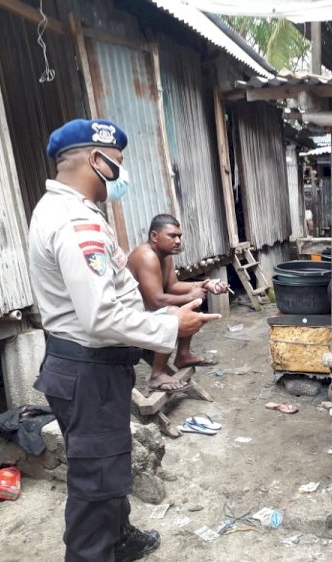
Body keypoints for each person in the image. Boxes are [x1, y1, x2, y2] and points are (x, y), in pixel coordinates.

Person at [29, 118, 221, 561]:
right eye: (118, 163)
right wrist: (171, 327)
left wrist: (166, 315)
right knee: (95, 480)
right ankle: (94, 551)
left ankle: (119, 537)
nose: (122, 174)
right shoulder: (76, 221)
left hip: (92, 367)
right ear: (96, 160)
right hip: (87, 368)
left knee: (110, 463)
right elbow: (100, 316)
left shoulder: (70, 211)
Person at [127, 214, 228, 392]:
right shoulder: (146, 256)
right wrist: (190, 296)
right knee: (174, 313)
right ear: (154, 236)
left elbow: (173, 286)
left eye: (179, 236)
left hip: (148, 310)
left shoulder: (165, 255)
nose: (178, 240)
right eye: (172, 236)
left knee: (192, 301)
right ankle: (157, 375)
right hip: (130, 318)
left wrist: (205, 284)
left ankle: (183, 355)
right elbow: (156, 301)